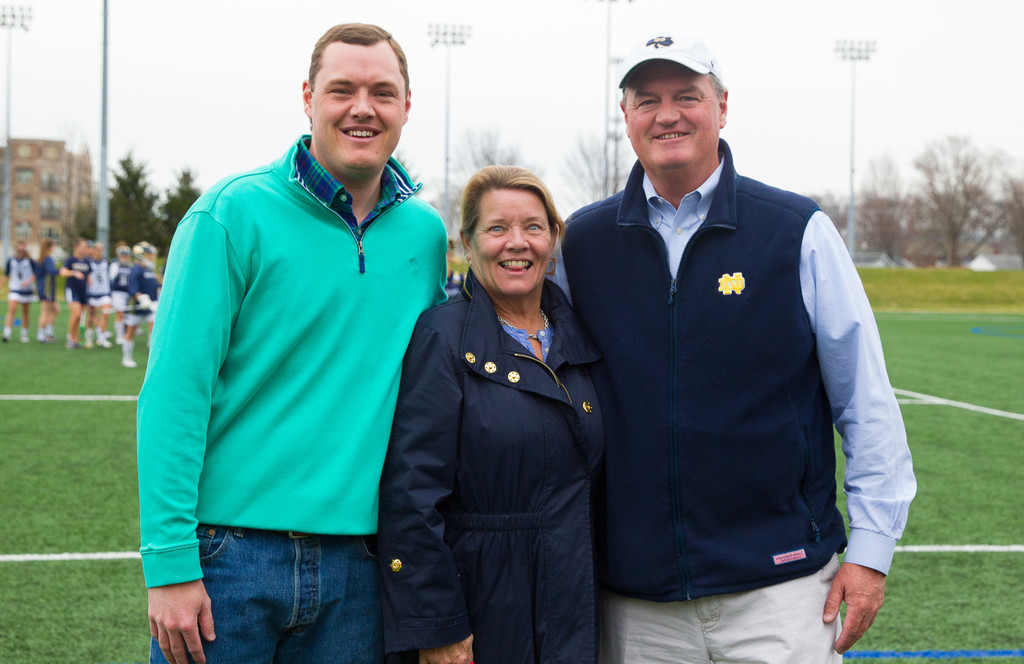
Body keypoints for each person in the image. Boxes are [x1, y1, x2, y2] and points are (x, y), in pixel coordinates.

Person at [557, 33, 917, 662]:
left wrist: (871, 552)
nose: (667, 114)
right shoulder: (580, 244)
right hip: (635, 606)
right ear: (626, 118)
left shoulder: (797, 230)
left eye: (687, 96)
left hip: (783, 593)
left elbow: (865, 400)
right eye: (647, 100)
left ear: (723, 107)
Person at [136, 23, 448, 664]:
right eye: (343, 90)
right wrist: (169, 564)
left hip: (363, 566)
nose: (363, 108)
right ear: (308, 97)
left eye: (382, 92)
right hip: (229, 560)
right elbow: (174, 393)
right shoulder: (230, 214)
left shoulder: (424, 235)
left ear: (407, 107)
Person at [378, 165, 604, 664]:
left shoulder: (579, 338)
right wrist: (437, 629)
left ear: (553, 237)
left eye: (533, 227)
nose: (516, 243)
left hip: (571, 597)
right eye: (497, 228)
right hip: (481, 605)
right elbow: (410, 495)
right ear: (468, 241)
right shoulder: (444, 338)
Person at [121, 242, 160, 369]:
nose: (150, 257)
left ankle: (152, 350)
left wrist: (155, 299)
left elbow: (153, 286)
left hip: (150, 306)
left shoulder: (149, 269)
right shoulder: (136, 269)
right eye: (148, 255)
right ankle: (126, 358)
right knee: (131, 331)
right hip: (136, 307)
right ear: (140, 256)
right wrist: (141, 298)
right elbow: (132, 288)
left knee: (154, 327)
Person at [60, 238, 92, 349]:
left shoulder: (87, 261)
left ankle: (75, 339)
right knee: (77, 313)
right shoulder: (70, 260)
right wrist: (74, 273)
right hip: (72, 290)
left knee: (79, 317)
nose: (84, 249)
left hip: (83, 292)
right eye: (83, 247)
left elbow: (89, 275)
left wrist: (90, 280)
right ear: (76, 247)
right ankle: (70, 338)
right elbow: (62, 272)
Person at [3, 240, 36, 343]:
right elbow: (6, 275)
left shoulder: (30, 261)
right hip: (15, 289)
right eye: (19, 250)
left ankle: (24, 334)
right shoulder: (11, 261)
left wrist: (28, 282)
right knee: (12, 309)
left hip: (27, 290)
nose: (20, 252)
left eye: (22, 250)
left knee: (25, 312)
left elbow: (35, 275)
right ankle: (7, 333)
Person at [85, 242, 114, 348]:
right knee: (91, 317)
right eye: (97, 249)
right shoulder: (88, 262)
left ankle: (101, 337)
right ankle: (91, 335)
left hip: (104, 293)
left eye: (101, 249)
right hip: (92, 293)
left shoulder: (107, 262)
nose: (99, 252)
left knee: (105, 314)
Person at [35, 239, 60, 343]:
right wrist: (61, 271)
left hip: (45, 288)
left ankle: (49, 333)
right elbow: (52, 271)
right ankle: (41, 335)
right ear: (50, 247)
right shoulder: (47, 259)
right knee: (45, 312)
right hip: (47, 289)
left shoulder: (41, 259)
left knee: (56, 310)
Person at [110, 243, 134, 345]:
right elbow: (111, 279)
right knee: (119, 314)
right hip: (118, 293)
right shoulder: (115, 265)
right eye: (123, 255)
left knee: (127, 315)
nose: (125, 257)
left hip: (128, 294)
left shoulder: (132, 266)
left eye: (126, 255)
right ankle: (119, 336)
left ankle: (125, 334)